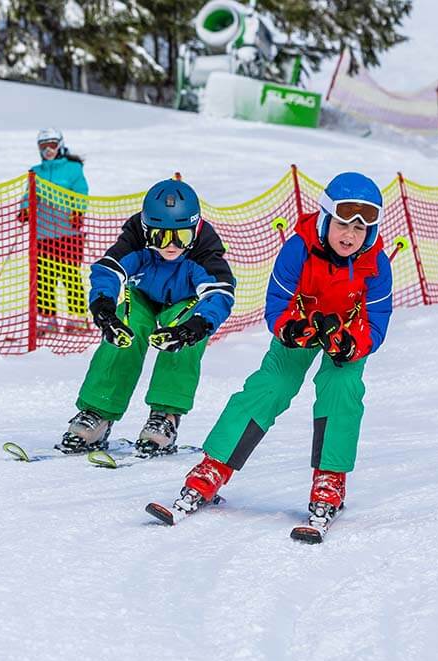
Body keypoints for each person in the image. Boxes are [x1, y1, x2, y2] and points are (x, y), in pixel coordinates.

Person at [148, 172, 394, 536]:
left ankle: (330, 478)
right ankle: (214, 466)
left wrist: (351, 344)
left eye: (360, 230)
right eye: (342, 224)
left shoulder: (377, 262)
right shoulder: (298, 248)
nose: (350, 236)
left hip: (346, 334)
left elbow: (377, 320)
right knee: (270, 386)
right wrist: (290, 329)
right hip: (302, 325)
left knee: (341, 388)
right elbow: (277, 302)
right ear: (326, 218)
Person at [58, 179, 236, 457]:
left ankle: (164, 417)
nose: (171, 246)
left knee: (180, 337)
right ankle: (98, 413)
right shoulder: (135, 237)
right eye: (161, 237)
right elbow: (109, 269)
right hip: (142, 296)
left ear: (195, 229)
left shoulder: (204, 246)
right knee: (126, 328)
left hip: (183, 302)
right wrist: (103, 307)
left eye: (182, 237)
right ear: (146, 230)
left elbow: (220, 291)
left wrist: (198, 326)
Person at [27, 128, 90, 332]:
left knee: (69, 275)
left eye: (52, 145)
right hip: (43, 234)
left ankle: (77, 317)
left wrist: (78, 212)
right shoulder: (36, 171)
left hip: (68, 233)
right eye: (43, 146)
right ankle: (48, 319)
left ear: (60, 145)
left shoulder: (73, 169)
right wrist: (24, 210)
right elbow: (29, 195)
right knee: (45, 278)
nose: (48, 150)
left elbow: (81, 192)